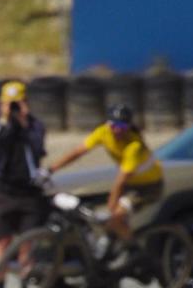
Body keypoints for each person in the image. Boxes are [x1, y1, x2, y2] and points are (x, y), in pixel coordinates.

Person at [48, 104, 163, 256]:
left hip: (148, 187)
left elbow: (120, 181)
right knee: (97, 214)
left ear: (129, 127)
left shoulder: (134, 145)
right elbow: (77, 152)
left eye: (122, 126)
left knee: (114, 216)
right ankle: (112, 241)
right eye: (114, 125)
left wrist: (111, 208)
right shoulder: (103, 132)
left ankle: (135, 251)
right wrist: (51, 169)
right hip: (131, 183)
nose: (117, 130)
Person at [0, 80, 48, 270]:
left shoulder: (34, 125)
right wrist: (5, 120)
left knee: (27, 244)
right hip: (5, 192)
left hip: (29, 193)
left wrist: (24, 120)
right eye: (8, 103)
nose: (12, 107)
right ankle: (0, 286)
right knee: (3, 242)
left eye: (16, 103)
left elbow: (38, 147)